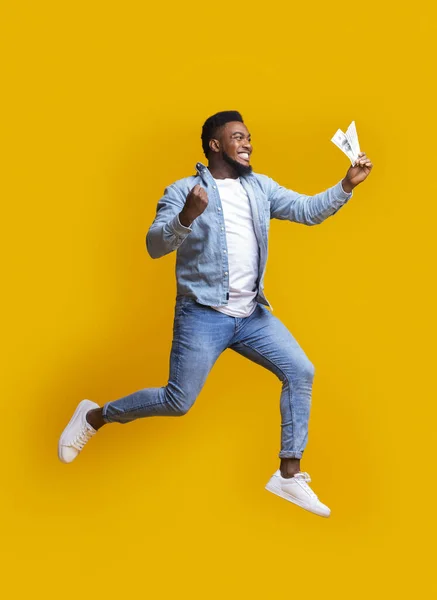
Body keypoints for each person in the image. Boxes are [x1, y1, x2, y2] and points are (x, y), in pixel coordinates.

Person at [58, 111, 373, 517]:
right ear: (215, 145)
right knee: (178, 401)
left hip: (251, 315)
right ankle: (95, 415)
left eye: (248, 137)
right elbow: (155, 245)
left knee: (301, 371)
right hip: (203, 315)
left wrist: (346, 185)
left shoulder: (260, 188)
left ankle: (289, 474)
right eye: (238, 137)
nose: (247, 143)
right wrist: (186, 216)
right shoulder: (184, 190)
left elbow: (307, 210)